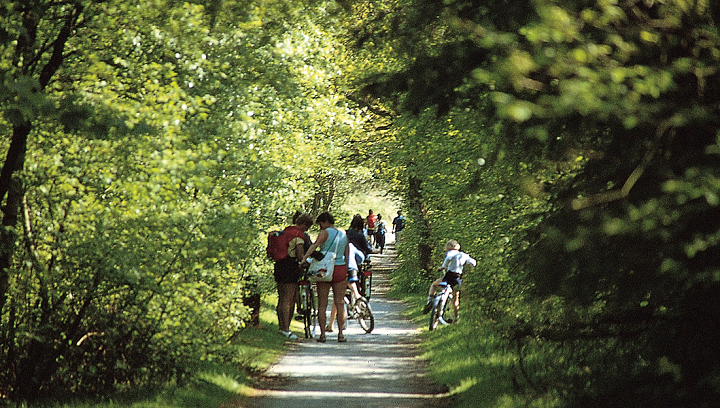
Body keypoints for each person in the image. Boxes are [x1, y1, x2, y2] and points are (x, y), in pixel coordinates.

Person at [300, 212, 350, 343]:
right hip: (340, 268)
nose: (321, 227)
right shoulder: (344, 234)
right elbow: (347, 253)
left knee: (322, 304)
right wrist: (346, 270)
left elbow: (314, 245)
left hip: (325, 269)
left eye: (321, 224)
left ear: (325, 222)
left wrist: (304, 258)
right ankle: (340, 334)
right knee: (339, 303)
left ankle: (322, 335)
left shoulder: (325, 232)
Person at [326, 214, 379, 333]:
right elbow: (368, 249)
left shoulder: (346, 233)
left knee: (337, 295)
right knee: (351, 280)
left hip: (344, 262)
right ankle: (357, 294)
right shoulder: (360, 235)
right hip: (357, 261)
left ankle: (330, 324)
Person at [274, 213, 313, 340]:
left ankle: (281, 327)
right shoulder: (298, 235)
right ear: (304, 224)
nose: (305, 230)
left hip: (279, 266)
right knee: (288, 300)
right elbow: (300, 256)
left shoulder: (286, 230)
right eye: (306, 228)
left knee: (281, 298)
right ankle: (286, 329)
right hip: (290, 267)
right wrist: (307, 263)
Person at [423, 240, 476, 324]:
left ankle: (429, 300)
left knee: (434, 285)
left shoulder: (450, 253)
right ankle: (455, 318)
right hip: (458, 277)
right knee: (456, 299)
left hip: (449, 276)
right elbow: (473, 262)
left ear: (448, 247)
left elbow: (447, 260)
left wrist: (442, 267)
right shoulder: (463, 255)